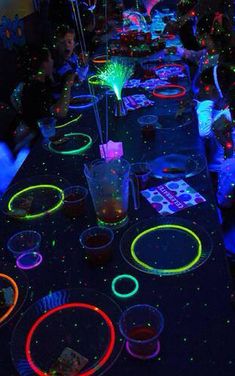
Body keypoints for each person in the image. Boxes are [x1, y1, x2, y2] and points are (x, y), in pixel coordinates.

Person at [21, 45, 75, 134]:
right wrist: (68, 83)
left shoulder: (39, 82)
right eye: (50, 59)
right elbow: (60, 112)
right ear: (44, 64)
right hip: (42, 136)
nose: (52, 61)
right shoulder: (36, 89)